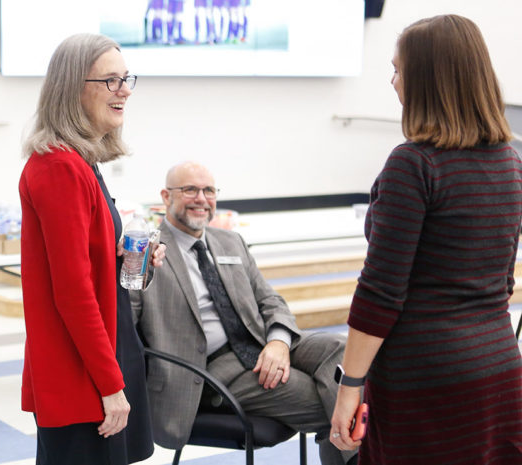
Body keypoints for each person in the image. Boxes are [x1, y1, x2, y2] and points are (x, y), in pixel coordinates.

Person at [329, 15, 522, 465]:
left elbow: (380, 293)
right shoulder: (510, 162)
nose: (394, 83)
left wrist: (350, 385)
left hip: (425, 376)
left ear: (429, 79)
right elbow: (501, 280)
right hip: (498, 367)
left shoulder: (413, 164)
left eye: (399, 70)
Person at [130, 161, 358, 465]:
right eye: (190, 190)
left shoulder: (230, 241)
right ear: (166, 196)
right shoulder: (148, 251)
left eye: (208, 190)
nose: (201, 198)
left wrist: (278, 342)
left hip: (260, 343)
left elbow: (270, 299)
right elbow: (127, 323)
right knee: (336, 403)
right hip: (209, 369)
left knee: (340, 350)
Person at [19, 33, 165, 465]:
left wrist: (119, 255)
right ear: (72, 87)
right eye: (110, 81)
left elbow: (83, 265)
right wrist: (109, 384)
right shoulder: (59, 167)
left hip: (102, 359)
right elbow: (72, 292)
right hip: (82, 376)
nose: (125, 90)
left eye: (126, 78)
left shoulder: (82, 161)